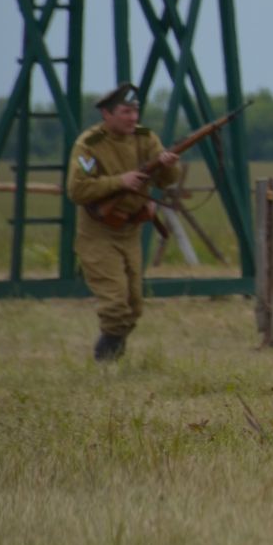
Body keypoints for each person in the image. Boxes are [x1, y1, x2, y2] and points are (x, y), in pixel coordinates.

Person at [64, 82, 182, 362]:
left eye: (135, 111)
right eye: (125, 111)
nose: (132, 118)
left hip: (130, 229)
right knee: (116, 304)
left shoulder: (146, 138)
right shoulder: (89, 145)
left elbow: (166, 181)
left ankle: (113, 355)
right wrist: (121, 181)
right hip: (98, 232)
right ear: (107, 114)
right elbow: (78, 189)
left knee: (134, 306)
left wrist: (168, 165)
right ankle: (105, 363)